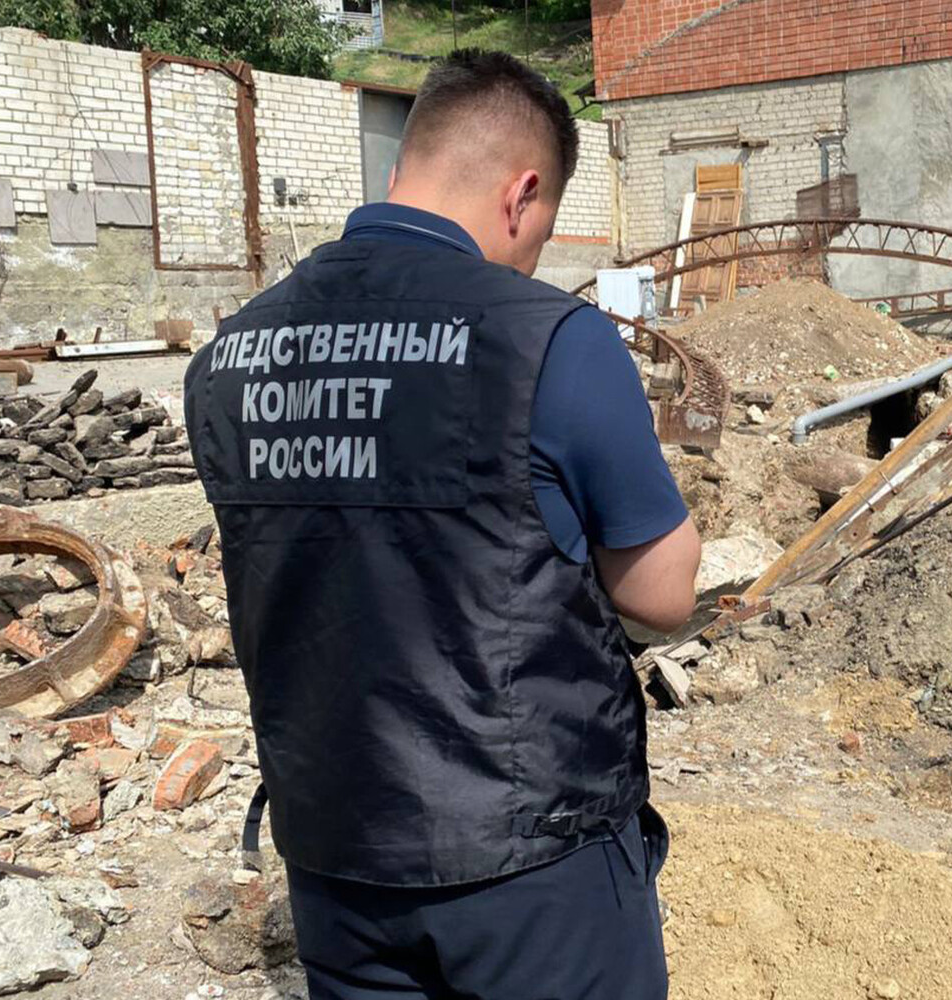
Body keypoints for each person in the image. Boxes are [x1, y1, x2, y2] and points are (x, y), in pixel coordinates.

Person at [184, 49, 700, 1000]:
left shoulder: (230, 354)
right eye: (542, 232)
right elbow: (662, 595)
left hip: (333, 852)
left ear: (401, 169)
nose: (532, 258)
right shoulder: (549, 338)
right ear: (523, 194)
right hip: (530, 862)